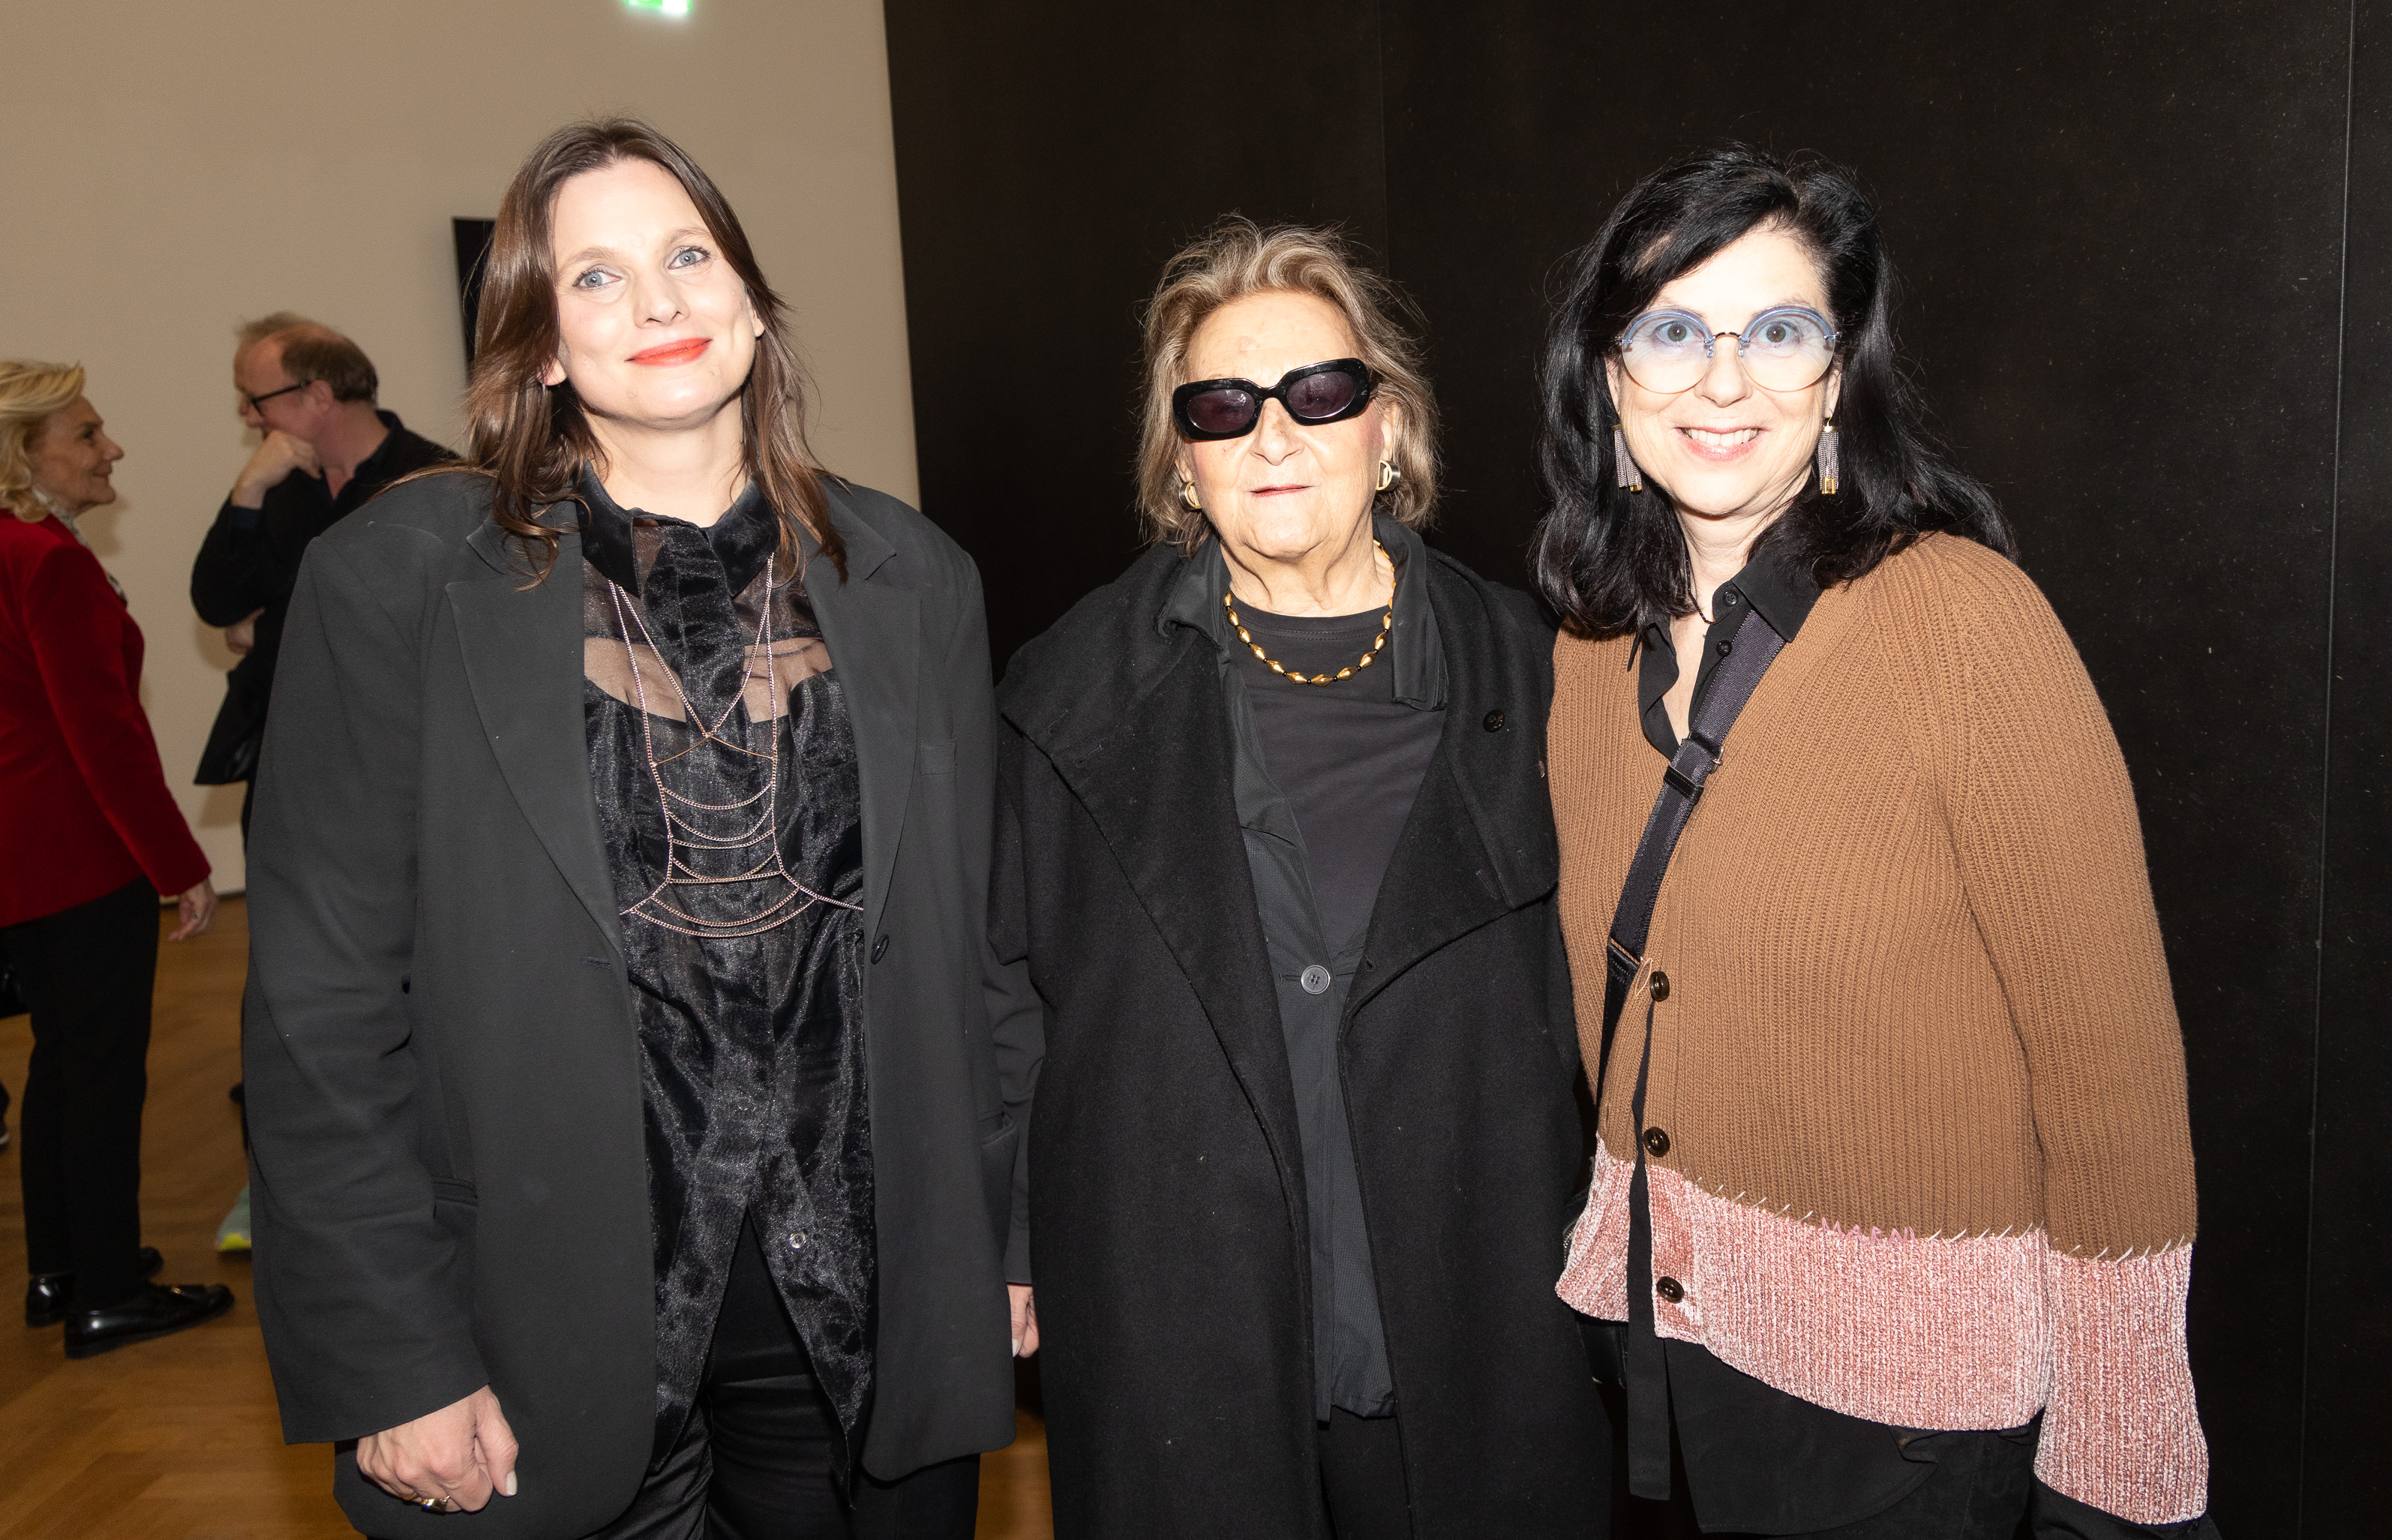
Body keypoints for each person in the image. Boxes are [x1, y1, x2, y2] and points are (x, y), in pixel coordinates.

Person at [244, 119, 1033, 1540]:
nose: (657, 301)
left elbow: (987, 956)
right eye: (594, 277)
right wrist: (390, 1352)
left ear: (751, 299)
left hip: (868, 1294)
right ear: (540, 344)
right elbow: (321, 1005)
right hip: (536, 1310)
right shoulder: (396, 583)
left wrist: (1008, 1233)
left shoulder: (915, 574)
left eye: (688, 256)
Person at [1532, 144, 2216, 1539]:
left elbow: (2114, 1073)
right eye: (1672, 331)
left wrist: (2119, 1436)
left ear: (1837, 376)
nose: (1722, 382)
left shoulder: (1962, 623)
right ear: (1608, 373)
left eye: (1777, 332)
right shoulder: (1586, 650)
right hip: (1668, 1354)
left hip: (1904, 1413)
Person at [993, 220, 1609, 1538]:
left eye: (1318, 392)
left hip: (1471, 1293)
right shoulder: (1063, 693)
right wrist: (1013, 1242)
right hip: (1182, 1308)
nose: (1271, 434)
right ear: (1182, 459)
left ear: (1389, 429)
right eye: (1220, 406)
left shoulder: (1544, 677)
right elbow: (1009, 988)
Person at [0, 361, 233, 1358]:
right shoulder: (47, 558)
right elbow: (102, 734)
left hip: (22, 850)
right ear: (25, 454)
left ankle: (62, 1266)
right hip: (77, 850)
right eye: (88, 434)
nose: (113, 449)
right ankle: (107, 1293)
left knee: (60, 1060)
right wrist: (178, 862)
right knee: (101, 1071)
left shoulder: (16, 546)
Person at [188, 314, 455, 837]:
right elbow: (216, 604)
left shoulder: (438, 481)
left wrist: (268, 627)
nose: (247, 416)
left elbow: (427, 629)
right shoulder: (273, 483)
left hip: (402, 771)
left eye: (254, 399)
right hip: (288, 769)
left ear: (317, 395)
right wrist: (247, 492)